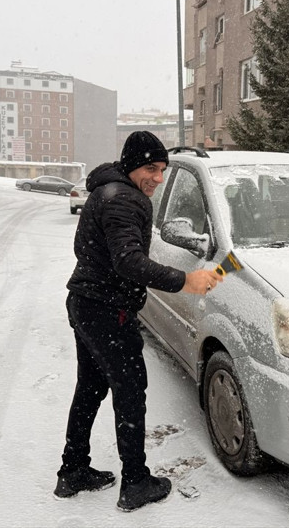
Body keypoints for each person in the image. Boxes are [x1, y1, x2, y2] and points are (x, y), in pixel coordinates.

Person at [54, 131, 223, 512]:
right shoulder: (123, 201)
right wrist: (185, 280)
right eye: (151, 168)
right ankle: (135, 482)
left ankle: (73, 470)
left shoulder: (107, 190)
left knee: (91, 388)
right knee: (129, 392)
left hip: (86, 303)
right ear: (132, 164)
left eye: (162, 169)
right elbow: (128, 261)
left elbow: (88, 250)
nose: (158, 178)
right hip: (106, 311)